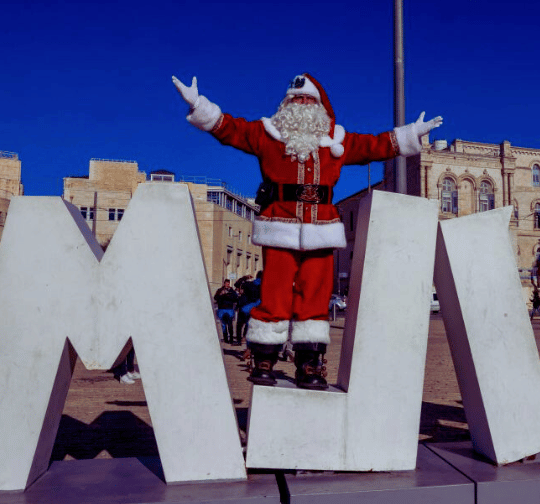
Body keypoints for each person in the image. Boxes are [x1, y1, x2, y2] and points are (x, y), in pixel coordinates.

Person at [173, 73, 442, 389]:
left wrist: (412, 133)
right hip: (280, 223)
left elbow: (375, 145)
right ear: (285, 105)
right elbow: (230, 129)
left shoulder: (337, 140)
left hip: (322, 228)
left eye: (306, 99)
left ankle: (310, 363)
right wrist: (199, 103)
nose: (299, 104)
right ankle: (264, 358)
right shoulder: (267, 134)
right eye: (294, 99)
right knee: (274, 290)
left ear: (320, 106)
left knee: (315, 293)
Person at [235, 271, 262, 346]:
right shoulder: (265, 286)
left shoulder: (249, 284)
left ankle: (239, 340)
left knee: (239, 324)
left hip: (245, 307)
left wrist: (245, 277)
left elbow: (236, 284)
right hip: (256, 309)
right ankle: (248, 345)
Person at [213, 279, 239, 343]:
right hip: (221, 309)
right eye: (226, 283)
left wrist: (228, 295)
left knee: (230, 324)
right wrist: (221, 294)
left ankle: (231, 339)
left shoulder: (232, 291)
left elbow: (235, 298)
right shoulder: (220, 290)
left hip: (229, 309)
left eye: (228, 283)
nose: (228, 284)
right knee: (223, 325)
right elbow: (215, 298)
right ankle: (226, 339)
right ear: (224, 283)